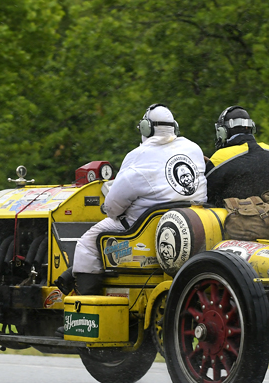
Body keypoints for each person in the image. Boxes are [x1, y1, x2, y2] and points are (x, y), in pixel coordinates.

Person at [67, 104, 207, 295]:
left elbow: (112, 207)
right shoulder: (194, 149)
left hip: (145, 229)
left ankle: (88, 307)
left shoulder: (138, 156)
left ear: (145, 128)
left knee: (87, 243)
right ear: (174, 126)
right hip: (194, 224)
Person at [205, 105, 269, 207]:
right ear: (251, 128)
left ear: (222, 132)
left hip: (232, 219)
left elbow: (205, 192)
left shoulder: (220, 158)